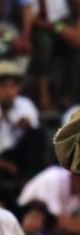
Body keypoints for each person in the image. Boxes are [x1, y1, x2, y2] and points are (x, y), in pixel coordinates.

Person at [0, 60, 47, 190]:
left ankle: (29, 181)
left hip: (17, 156)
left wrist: (26, 125)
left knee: (36, 134)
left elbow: (35, 134)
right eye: (4, 86)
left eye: (13, 86)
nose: (9, 91)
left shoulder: (24, 104)